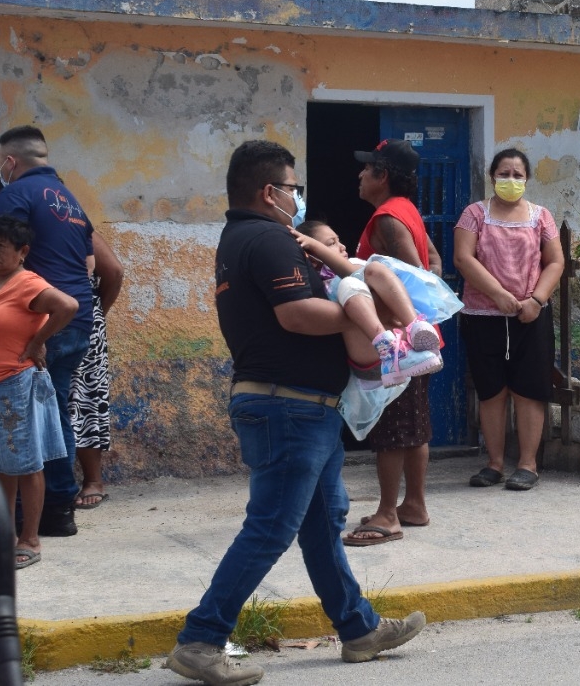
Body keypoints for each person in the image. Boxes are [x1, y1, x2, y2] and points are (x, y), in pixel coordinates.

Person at [167, 139, 423, 686]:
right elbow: (298, 316)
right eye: (293, 188)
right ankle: (201, 639)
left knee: (321, 524)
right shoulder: (265, 238)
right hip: (288, 407)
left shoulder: (245, 237)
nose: (298, 197)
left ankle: (358, 629)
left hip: (306, 408)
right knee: (271, 527)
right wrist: (367, 313)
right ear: (269, 192)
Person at [0, 125, 94, 537]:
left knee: (29, 417)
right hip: (77, 316)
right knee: (53, 409)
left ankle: (46, 509)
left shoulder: (15, 194)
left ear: (9, 162)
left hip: (41, 316)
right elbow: (93, 264)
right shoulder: (70, 199)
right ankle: (56, 506)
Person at [0, 216, 78, 569]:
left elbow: (67, 306)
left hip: (11, 383)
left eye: (1, 246)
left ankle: (30, 539)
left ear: (22, 252)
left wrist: (37, 341)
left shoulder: (27, 283)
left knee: (25, 464)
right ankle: (7, 535)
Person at [347, 139, 440, 545]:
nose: (360, 175)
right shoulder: (407, 213)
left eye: (367, 169)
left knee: (393, 428)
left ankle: (388, 514)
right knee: (414, 423)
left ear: (382, 176)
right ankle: (414, 505)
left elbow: (417, 274)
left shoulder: (386, 218)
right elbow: (434, 264)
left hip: (400, 346)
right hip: (418, 340)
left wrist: (390, 316)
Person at [454, 149, 563, 491]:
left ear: (527, 179)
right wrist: (498, 294)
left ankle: (528, 465)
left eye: (518, 175)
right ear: (492, 176)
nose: (511, 180)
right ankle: (494, 464)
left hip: (530, 317)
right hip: (483, 315)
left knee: (529, 389)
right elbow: (462, 257)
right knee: (491, 391)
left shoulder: (541, 216)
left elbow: (555, 262)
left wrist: (536, 300)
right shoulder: (475, 214)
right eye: (504, 173)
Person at [293, 219, 442, 386]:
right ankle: (388, 348)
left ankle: (415, 327)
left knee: (374, 269)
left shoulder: (357, 264)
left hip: (407, 353)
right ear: (312, 255)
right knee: (349, 283)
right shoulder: (315, 284)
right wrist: (315, 247)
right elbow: (351, 277)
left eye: (338, 240)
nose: (342, 246)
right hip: (373, 359)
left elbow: (357, 273)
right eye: (331, 243)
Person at [70, 231, 124, 509]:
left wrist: (96, 312)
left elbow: (114, 272)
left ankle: (93, 480)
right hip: (37, 317)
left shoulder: (78, 228)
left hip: (81, 319)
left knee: (85, 397)